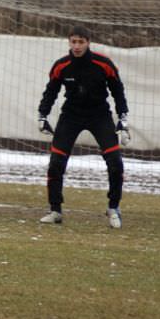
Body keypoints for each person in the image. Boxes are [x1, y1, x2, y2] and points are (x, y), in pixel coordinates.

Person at [38, 26, 130, 228]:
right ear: (68, 42)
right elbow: (51, 91)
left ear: (88, 42)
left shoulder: (103, 64)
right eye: (73, 41)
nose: (77, 46)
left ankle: (113, 207)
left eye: (81, 42)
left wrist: (123, 116)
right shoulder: (61, 66)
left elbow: (118, 90)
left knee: (115, 162)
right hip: (71, 116)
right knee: (55, 163)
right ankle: (55, 210)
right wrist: (42, 114)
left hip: (100, 115)